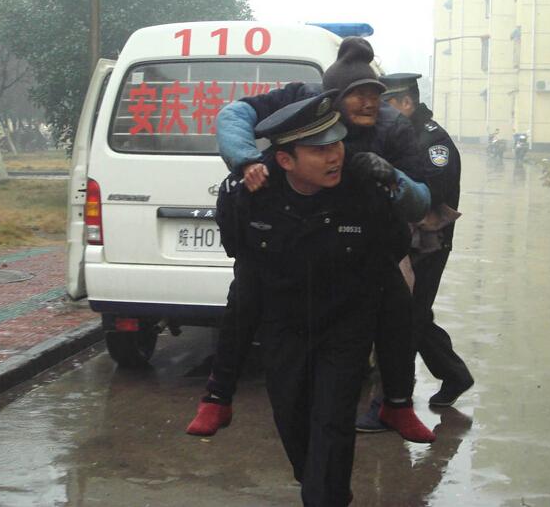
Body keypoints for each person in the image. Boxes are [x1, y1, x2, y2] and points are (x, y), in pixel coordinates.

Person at [186, 37, 435, 443]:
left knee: (395, 302)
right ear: (332, 96)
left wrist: (392, 177)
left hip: (359, 232)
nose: (369, 103)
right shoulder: (300, 99)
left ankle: (397, 403)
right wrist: (246, 159)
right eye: (358, 95)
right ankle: (217, 396)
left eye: (375, 94)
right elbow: (234, 113)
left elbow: (421, 200)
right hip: (289, 221)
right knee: (246, 294)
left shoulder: (393, 128)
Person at [215, 91, 411, 506]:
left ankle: (325, 495)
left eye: (337, 143)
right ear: (286, 160)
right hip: (284, 328)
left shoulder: (363, 186)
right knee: (293, 421)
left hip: (344, 326)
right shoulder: (255, 193)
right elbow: (242, 260)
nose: (334, 156)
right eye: (320, 150)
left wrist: (391, 187)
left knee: (332, 421)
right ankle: (323, 488)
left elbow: (393, 248)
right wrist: (220, 387)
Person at [357, 73, 473, 431]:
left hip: (427, 245)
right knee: (413, 315)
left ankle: (389, 404)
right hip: (402, 243)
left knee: (403, 322)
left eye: (386, 105)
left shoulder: (433, 142)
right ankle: (454, 374)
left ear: (406, 103)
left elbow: (429, 195)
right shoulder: (403, 135)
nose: (379, 112)